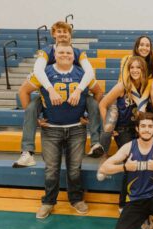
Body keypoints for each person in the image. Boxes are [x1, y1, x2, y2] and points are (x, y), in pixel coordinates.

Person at [17, 42, 103, 219]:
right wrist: (36, 119)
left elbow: (98, 92)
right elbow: (23, 91)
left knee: (74, 169)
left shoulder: (83, 74)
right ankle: (48, 202)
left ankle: (76, 199)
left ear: (74, 55)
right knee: (51, 169)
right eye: (61, 52)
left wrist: (87, 114)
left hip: (76, 129)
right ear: (54, 55)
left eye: (69, 52)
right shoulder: (44, 73)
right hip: (52, 130)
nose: (65, 55)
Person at [13, 21, 102, 168]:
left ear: (70, 35)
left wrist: (79, 91)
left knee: (92, 101)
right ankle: (27, 152)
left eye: (65, 31)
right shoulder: (47, 51)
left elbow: (90, 72)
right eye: (59, 31)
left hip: (75, 88)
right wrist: (50, 91)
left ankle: (95, 143)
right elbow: (37, 71)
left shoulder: (78, 52)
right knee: (30, 108)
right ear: (53, 34)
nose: (62, 34)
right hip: (50, 93)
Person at [97, 56, 150, 191]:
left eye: (138, 67)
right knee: (131, 160)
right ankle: (104, 161)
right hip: (123, 129)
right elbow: (103, 104)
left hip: (139, 129)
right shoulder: (122, 86)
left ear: (143, 69)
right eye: (132, 67)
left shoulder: (147, 87)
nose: (135, 70)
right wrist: (107, 128)